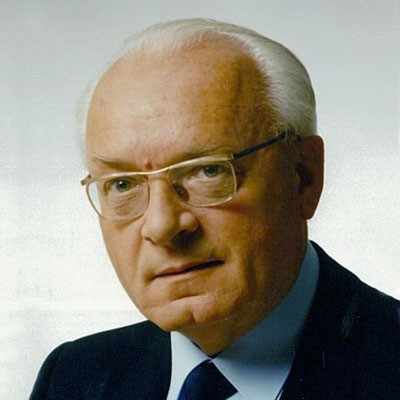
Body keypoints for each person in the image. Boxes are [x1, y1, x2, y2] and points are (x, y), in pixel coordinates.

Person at [30, 18, 399, 400]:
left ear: (304, 176)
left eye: (208, 171)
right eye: (122, 184)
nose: (162, 225)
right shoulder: (72, 378)